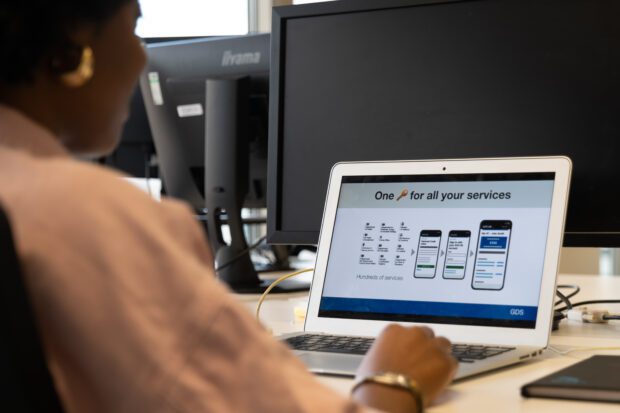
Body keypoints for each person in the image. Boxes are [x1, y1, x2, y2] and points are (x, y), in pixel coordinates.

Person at [0, 1, 457, 412]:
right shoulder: (87, 215)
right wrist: (392, 383)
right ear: (72, 47)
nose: (142, 57)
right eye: (134, 28)